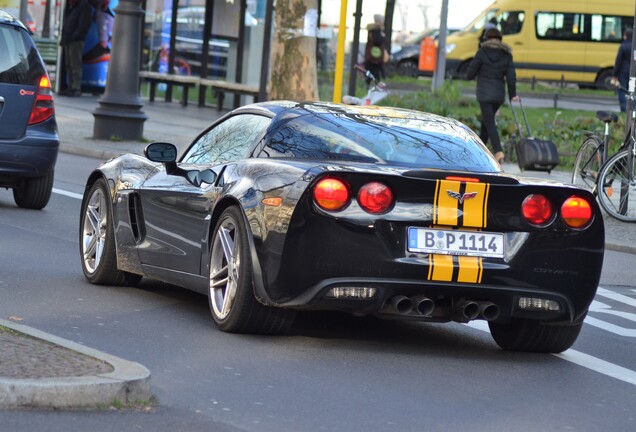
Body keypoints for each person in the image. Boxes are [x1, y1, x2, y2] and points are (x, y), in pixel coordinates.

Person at [465, 28, 519, 164]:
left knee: (489, 122)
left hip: (484, 94)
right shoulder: (507, 55)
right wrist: (513, 94)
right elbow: (511, 77)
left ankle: (498, 151)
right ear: (500, 40)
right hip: (498, 96)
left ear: (486, 39)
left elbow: (469, 74)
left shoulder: (482, 53)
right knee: (486, 122)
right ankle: (479, 152)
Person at [60, 0, 92, 97]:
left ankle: (76, 87)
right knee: (68, 64)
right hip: (68, 38)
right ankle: (71, 86)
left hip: (75, 39)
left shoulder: (83, 5)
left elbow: (84, 24)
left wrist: (76, 35)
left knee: (75, 64)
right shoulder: (72, 6)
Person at [612, 28, 632, 113]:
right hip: (632, 72)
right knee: (630, 90)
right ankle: (631, 108)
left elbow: (618, 61)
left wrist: (615, 74)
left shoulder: (623, 46)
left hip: (623, 71)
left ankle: (624, 109)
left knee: (621, 90)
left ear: (625, 36)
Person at [364, 14, 388, 84]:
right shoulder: (376, 31)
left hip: (373, 58)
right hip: (375, 58)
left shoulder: (372, 31)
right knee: (375, 77)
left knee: (372, 75)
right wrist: (383, 37)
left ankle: (369, 87)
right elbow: (378, 41)